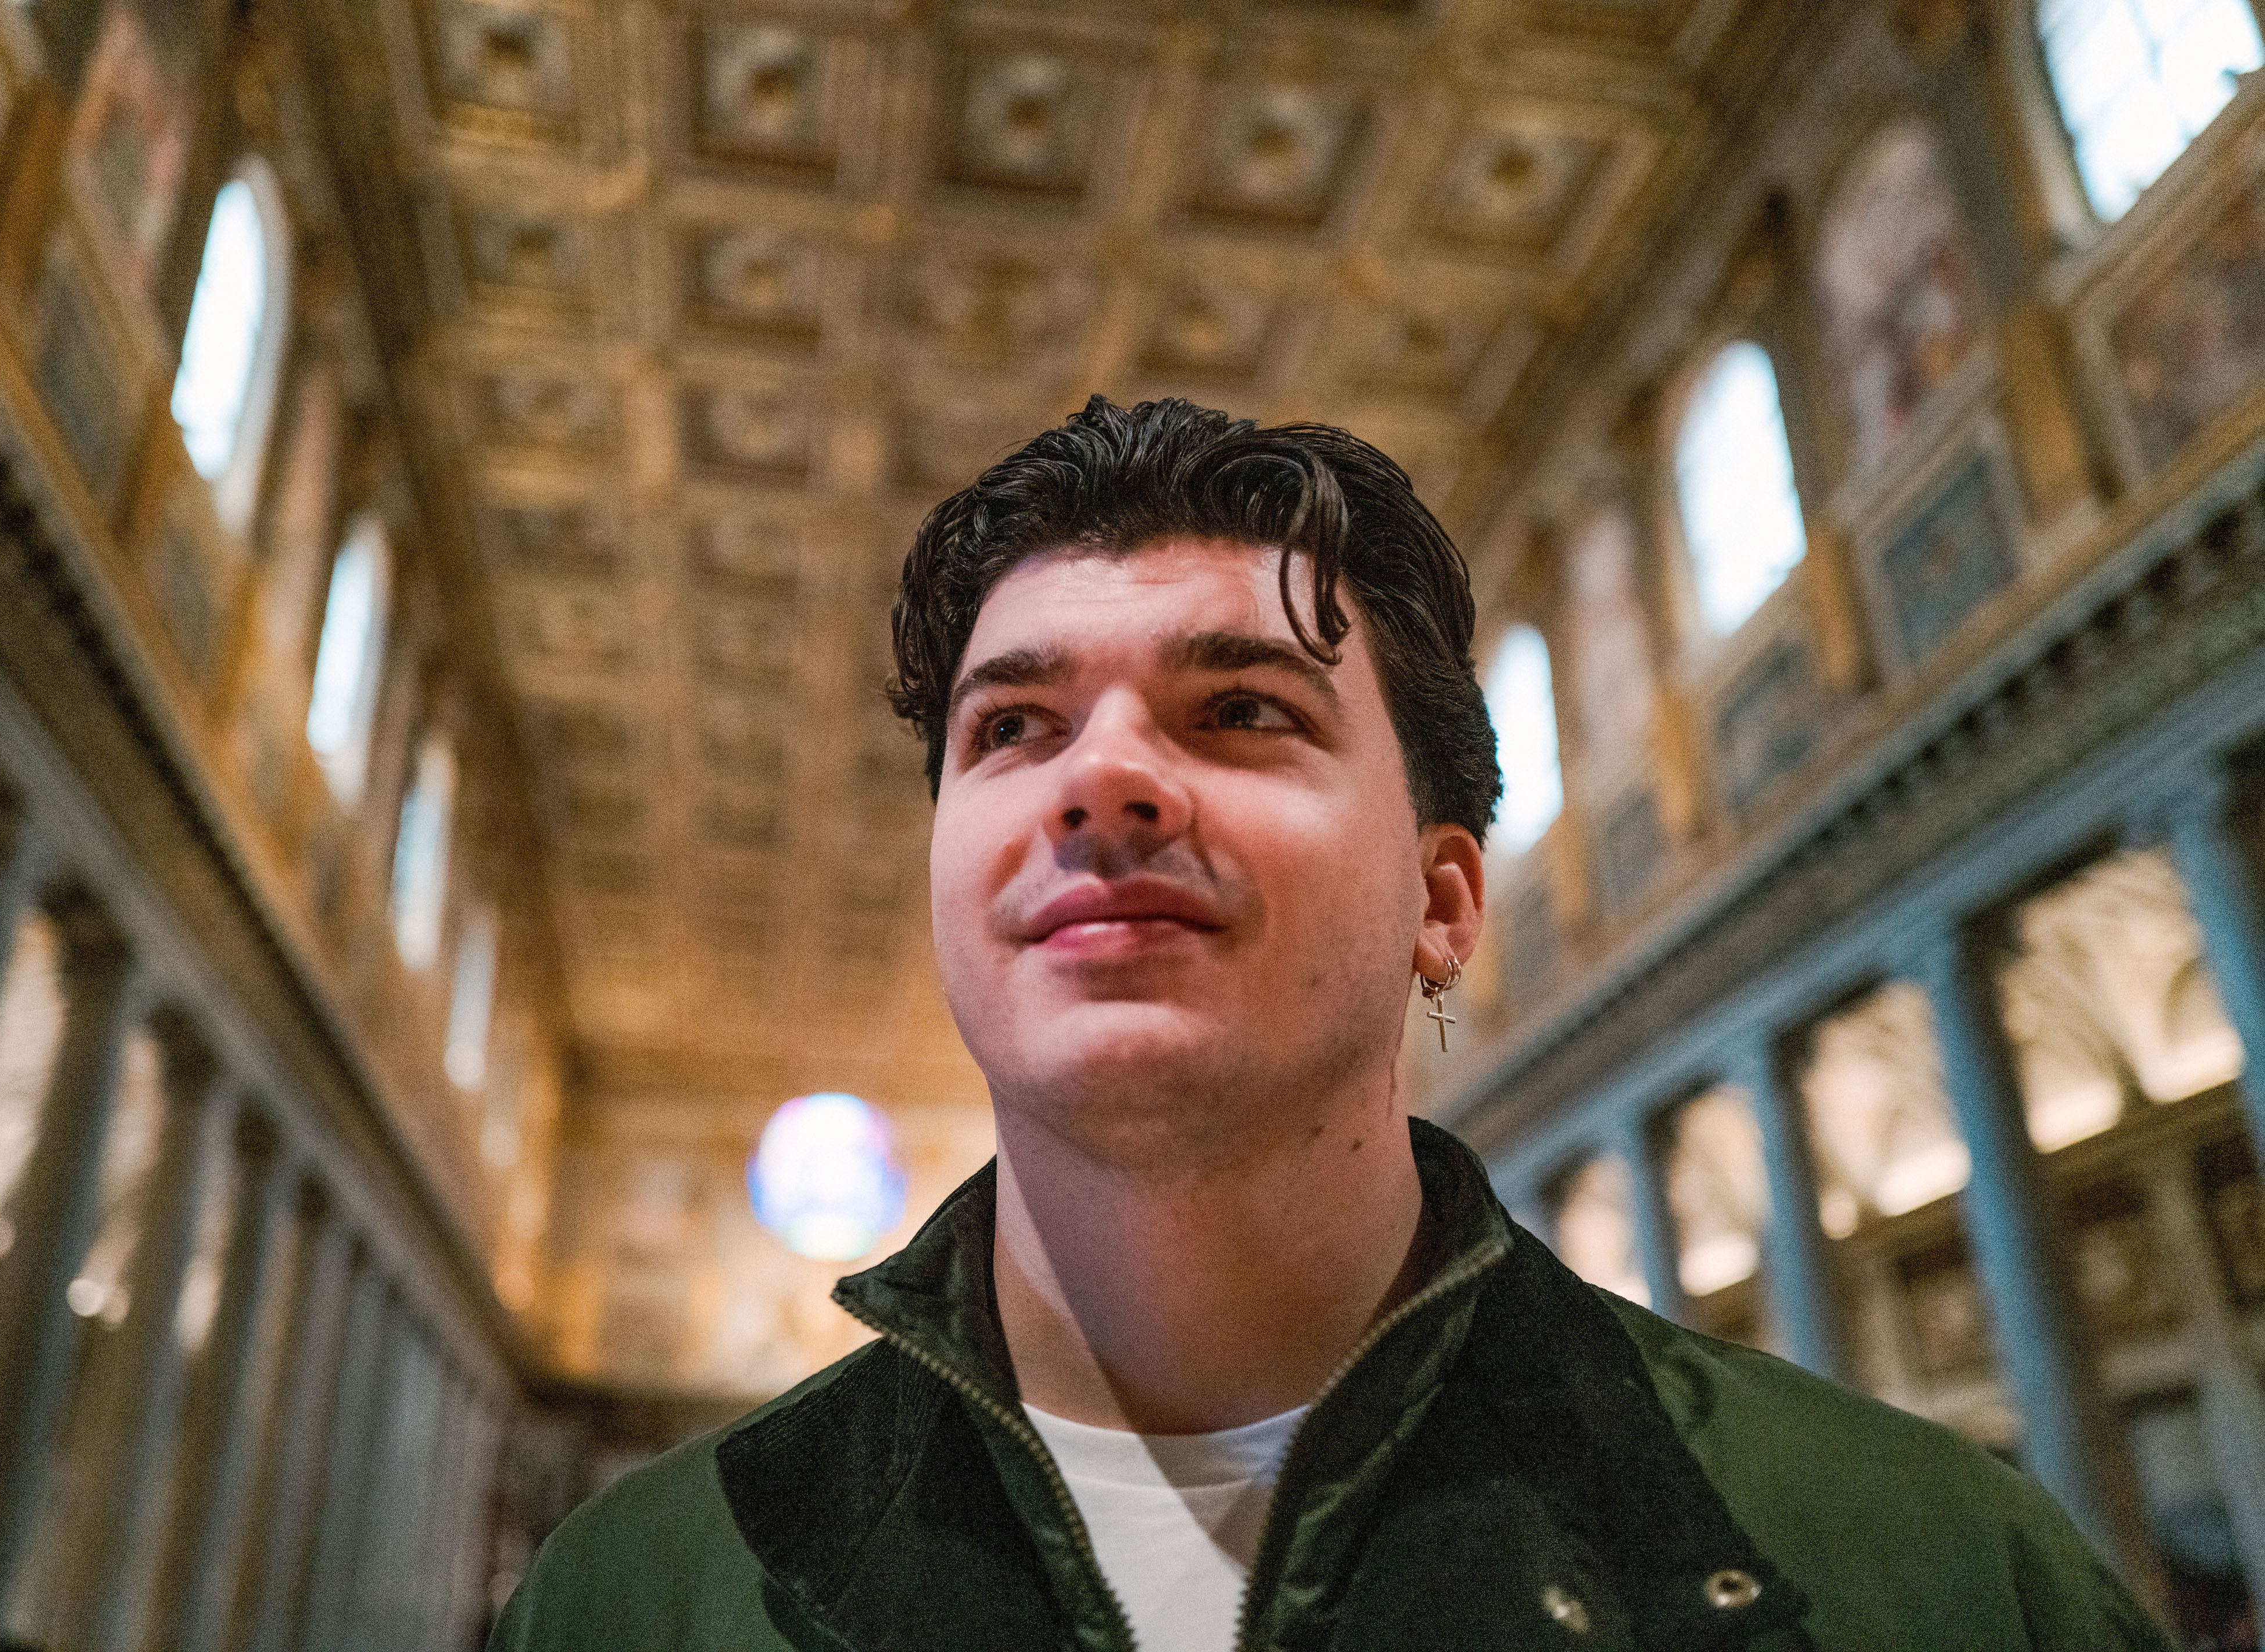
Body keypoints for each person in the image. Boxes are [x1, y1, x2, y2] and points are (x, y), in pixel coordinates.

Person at [492, 397, 2173, 1651]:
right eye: (1013, 727)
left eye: (1240, 708)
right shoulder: (642, 1599)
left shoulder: (1932, 1578)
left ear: (1442, 899)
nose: (1102, 779)